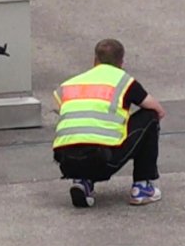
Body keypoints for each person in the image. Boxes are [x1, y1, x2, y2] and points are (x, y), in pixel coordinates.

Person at [52, 38, 167, 208]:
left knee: (82, 132)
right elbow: (157, 109)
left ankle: (83, 182)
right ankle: (142, 188)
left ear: (95, 60)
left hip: (66, 161)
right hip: (103, 161)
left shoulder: (69, 84)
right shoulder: (123, 81)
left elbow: (62, 112)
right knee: (150, 117)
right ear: (121, 62)